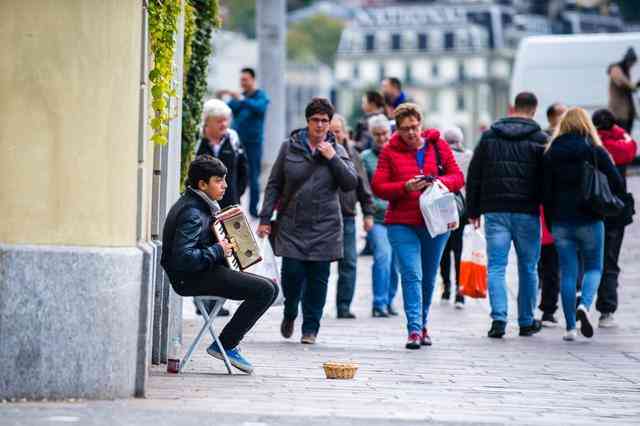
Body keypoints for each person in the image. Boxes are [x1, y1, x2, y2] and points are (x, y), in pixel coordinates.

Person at [160, 155, 278, 374]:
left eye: (224, 179)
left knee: (272, 287)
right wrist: (218, 250)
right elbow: (183, 258)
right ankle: (226, 344)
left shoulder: (200, 205)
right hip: (190, 278)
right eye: (218, 180)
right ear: (202, 184)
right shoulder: (192, 212)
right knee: (265, 290)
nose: (224, 185)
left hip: (203, 271)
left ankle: (226, 343)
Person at [257, 98, 358, 345]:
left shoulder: (338, 150)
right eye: (316, 120)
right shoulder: (289, 148)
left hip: (326, 226)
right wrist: (264, 218)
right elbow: (274, 184)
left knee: (318, 279)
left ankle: (311, 328)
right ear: (307, 121)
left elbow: (350, 183)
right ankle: (290, 312)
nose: (320, 125)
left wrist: (333, 157)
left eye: (325, 121)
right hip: (293, 224)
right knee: (292, 275)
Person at [372, 103, 464, 349]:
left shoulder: (438, 145)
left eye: (415, 127)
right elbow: (378, 186)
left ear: (421, 125)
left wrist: (437, 182)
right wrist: (405, 187)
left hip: (435, 222)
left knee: (429, 278)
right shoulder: (389, 151)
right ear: (398, 130)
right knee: (412, 274)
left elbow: (457, 177)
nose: (411, 133)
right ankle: (414, 329)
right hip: (402, 222)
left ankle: (423, 325)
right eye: (405, 129)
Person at [466, 92, 547, 339]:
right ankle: (525, 320)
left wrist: (473, 210)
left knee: (497, 267)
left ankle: (499, 319)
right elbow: (547, 178)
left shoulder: (489, 136)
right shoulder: (540, 138)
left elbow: (475, 173)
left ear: (513, 108)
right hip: (527, 210)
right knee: (528, 267)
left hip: (495, 209)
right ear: (534, 110)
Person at [542, 108, 625, 341]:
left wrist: (551, 221)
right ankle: (585, 306)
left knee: (568, 273)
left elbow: (545, 193)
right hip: (590, 218)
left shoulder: (551, 153)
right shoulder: (594, 151)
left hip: (561, 220)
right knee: (594, 268)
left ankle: (570, 328)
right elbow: (617, 182)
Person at [592, 108, 637, 328]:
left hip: (591, 208)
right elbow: (632, 145)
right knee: (610, 260)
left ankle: (579, 302)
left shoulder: (590, 144)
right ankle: (606, 310)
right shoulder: (623, 145)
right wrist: (617, 129)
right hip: (616, 209)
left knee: (585, 258)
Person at [330, 114, 375, 319]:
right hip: (322, 217)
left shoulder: (353, 154)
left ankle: (344, 306)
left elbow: (363, 185)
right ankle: (308, 305)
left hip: (347, 215)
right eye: (330, 132)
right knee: (314, 264)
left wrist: (368, 213)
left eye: (337, 131)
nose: (333, 136)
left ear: (345, 133)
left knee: (349, 262)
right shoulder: (317, 153)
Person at [361, 114, 399, 317]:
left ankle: (390, 299)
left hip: (399, 217)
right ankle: (379, 303)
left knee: (395, 263)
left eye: (384, 133)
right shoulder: (366, 157)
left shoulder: (398, 154)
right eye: (377, 135)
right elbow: (364, 189)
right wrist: (370, 210)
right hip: (377, 218)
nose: (382, 138)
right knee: (383, 256)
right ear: (371, 135)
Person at [219, 67, 270, 218]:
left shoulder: (260, 96)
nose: (243, 83)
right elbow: (226, 110)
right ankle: (233, 206)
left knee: (253, 176)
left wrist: (241, 99)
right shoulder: (240, 98)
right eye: (241, 80)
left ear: (253, 80)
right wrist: (222, 96)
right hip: (237, 143)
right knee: (233, 173)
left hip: (254, 143)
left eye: (245, 80)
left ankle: (254, 211)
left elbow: (260, 108)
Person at [439, 126, 472, 309]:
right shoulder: (469, 155)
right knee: (459, 249)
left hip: (444, 208)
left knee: (444, 249)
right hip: (462, 208)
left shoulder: (441, 157)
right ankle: (460, 292)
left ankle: (446, 288)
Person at [196, 99, 248, 210]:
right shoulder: (197, 139)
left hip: (229, 206)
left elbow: (243, 170)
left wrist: (236, 196)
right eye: (219, 121)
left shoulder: (233, 138)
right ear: (207, 121)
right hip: (201, 206)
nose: (224, 124)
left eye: (226, 120)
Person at [608, 47, 638, 133]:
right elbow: (621, 82)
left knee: (627, 137)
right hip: (619, 113)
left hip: (628, 112)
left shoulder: (626, 70)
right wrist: (633, 86)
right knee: (621, 137)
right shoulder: (616, 68)